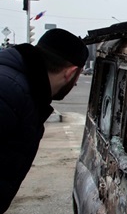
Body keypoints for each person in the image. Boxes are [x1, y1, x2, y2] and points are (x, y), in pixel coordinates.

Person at [0, 28, 88, 213]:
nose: (76, 83)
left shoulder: (21, 88)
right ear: (71, 73)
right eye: (78, 77)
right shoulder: (9, 92)